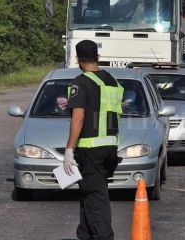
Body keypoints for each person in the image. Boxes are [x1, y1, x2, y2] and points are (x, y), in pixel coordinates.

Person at [63, 39, 124, 239]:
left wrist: (69, 149)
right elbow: (102, 110)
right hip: (109, 148)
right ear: (98, 57)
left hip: (90, 151)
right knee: (89, 196)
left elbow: (79, 118)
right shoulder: (111, 80)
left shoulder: (80, 82)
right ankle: (85, 235)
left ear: (78, 60)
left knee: (96, 199)